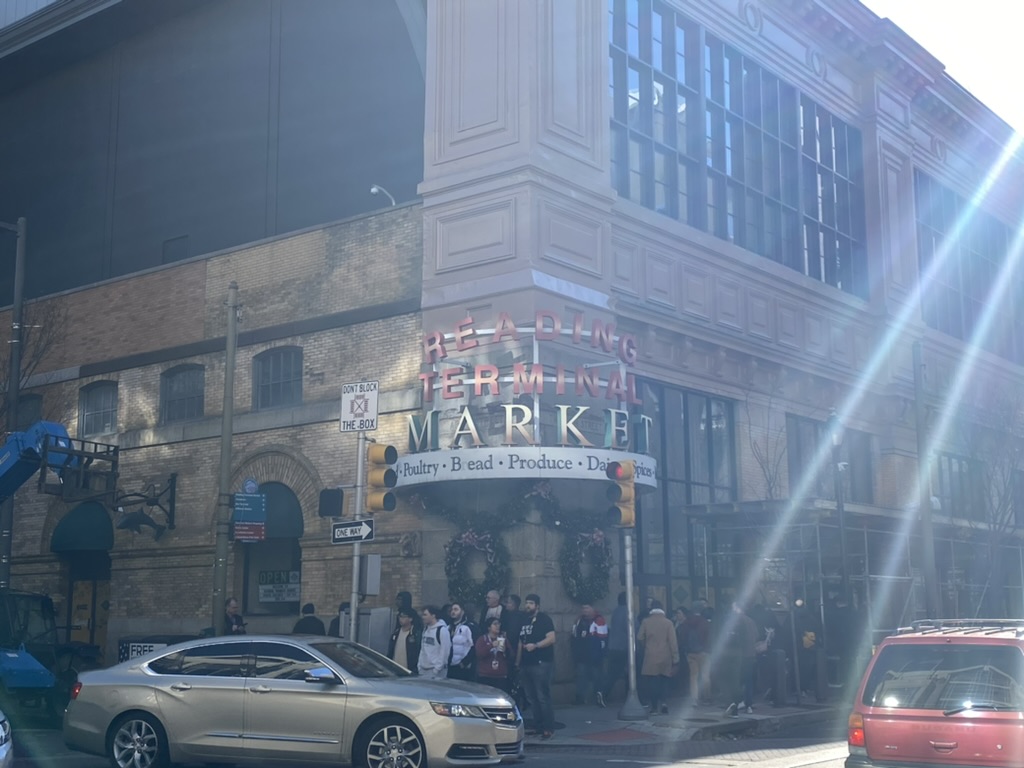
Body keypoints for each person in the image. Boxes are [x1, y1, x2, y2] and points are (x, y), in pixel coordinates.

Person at [517, 593, 556, 740]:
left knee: (542, 696)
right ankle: (537, 725)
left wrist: (537, 646)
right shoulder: (523, 620)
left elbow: (552, 638)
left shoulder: (544, 619)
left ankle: (548, 727)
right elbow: (520, 643)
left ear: (537, 606)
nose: (528, 605)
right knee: (531, 697)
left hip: (541, 662)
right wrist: (517, 662)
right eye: (527, 603)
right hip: (526, 663)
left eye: (531, 603)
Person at [636, 599, 678, 715]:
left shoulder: (646, 622)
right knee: (664, 681)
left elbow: (639, 637)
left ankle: (654, 707)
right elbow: (673, 642)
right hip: (666, 656)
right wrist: (675, 659)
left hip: (651, 656)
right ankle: (664, 703)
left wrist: (647, 645)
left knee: (652, 683)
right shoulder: (668, 623)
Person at [722, 602, 759, 717]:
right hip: (751, 654)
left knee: (736, 680)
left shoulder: (737, 621)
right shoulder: (751, 621)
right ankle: (748, 704)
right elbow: (757, 635)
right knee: (748, 681)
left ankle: (737, 703)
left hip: (741, 655)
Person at [570, 603, 607, 705]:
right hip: (581, 654)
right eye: (583, 608)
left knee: (597, 676)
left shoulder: (598, 620)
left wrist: (601, 654)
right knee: (581, 676)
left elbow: (603, 638)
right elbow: (574, 635)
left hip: (595, 654)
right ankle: (580, 698)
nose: (585, 610)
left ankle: (598, 696)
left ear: (592, 608)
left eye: (587, 608)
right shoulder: (578, 620)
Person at [599, 592, 629, 707]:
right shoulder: (627, 611)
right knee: (625, 673)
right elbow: (631, 628)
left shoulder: (616, 611)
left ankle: (603, 692)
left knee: (613, 672)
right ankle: (603, 692)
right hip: (624, 647)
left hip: (613, 646)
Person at [682, 601, 711, 704]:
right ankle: (707, 697)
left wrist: (686, 649)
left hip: (691, 653)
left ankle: (694, 698)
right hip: (703, 652)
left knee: (693, 676)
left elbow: (683, 637)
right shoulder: (704, 622)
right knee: (705, 676)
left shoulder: (686, 622)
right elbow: (708, 637)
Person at [475, 617, 511, 693]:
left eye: (499, 624)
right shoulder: (482, 639)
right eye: (495, 624)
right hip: (485, 675)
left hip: (500, 676)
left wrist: (505, 651)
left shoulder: (503, 639)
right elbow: (479, 654)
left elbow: (511, 656)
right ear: (489, 627)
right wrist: (491, 646)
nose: (498, 626)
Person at [447, 602, 478, 681]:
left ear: (462, 611)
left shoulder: (469, 627)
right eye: (452, 610)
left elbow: (474, 646)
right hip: (449, 665)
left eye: (456, 609)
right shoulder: (448, 627)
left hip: (462, 667)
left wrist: (464, 663)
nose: (453, 612)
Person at [418, 605, 451, 680]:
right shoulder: (425, 629)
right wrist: (419, 665)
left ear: (433, 615)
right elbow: (422, 649)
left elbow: (445, 651)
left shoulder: (442, 630)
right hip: (423, 669)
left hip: (435, 671)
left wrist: (436, 669)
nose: (423, 617)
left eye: (425, 615)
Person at [388, 607, 421, 673]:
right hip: (395, 668)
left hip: (409, 669)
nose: (401, 619)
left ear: (410, 619)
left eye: (403, 617)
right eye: (400, 617)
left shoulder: (415, 634)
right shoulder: (396, 633)